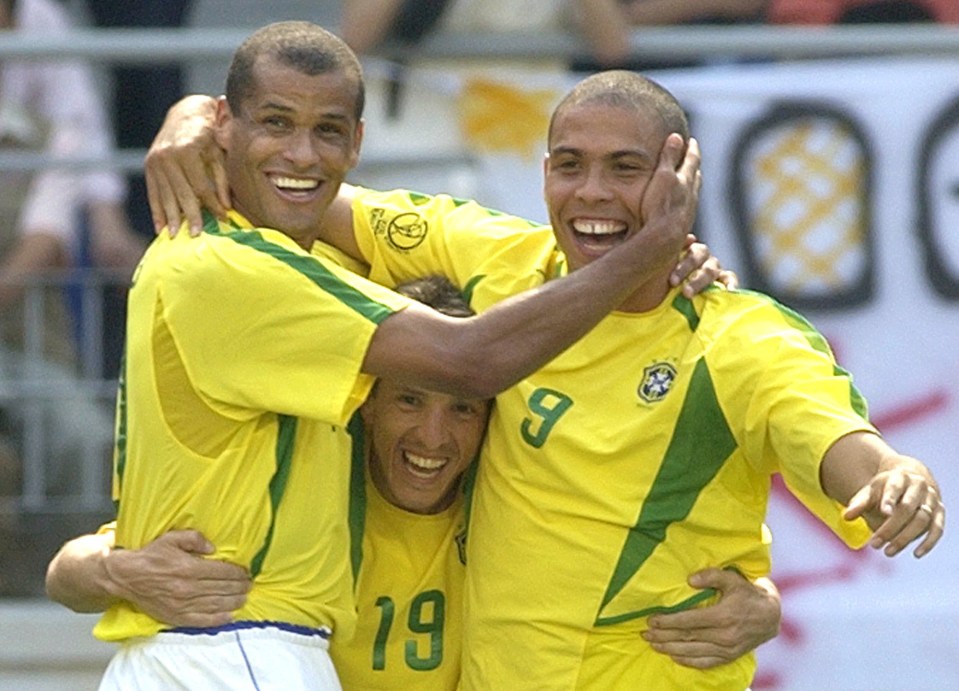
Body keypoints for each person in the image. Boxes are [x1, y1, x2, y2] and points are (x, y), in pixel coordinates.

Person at [144, 68, 945, 689]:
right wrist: (194, 118)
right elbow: (298, 186)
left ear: (680, 179)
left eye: (625, 169)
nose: (592, 193)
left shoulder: (744, 339)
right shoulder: (493, 253)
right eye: (570, 166)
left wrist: (895, 475)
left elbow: (846, 448)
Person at [76, 20, 716, 691]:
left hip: (207, 651)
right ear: (227, 127)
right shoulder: (231, 270)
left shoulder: (302, 259)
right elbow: (470, 359)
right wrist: (652, 246)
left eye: (326, 130)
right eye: (275, 123)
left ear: (356, 142)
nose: (301, 153)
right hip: (236, 647)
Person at [47, 274, 784, 690]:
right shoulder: (313, 486)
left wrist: (761, 602)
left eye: (462, 408)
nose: (433, 438)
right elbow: (64, 574)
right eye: (408, 399)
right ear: (365, 403)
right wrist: (119, 568)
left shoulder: (524, 500)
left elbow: (657, 558)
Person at [0, 0, 144, 510]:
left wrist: (108, 224)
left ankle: (66, 582)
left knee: (87, 439)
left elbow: (48, 231)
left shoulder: (53, 134)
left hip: (28, 342)